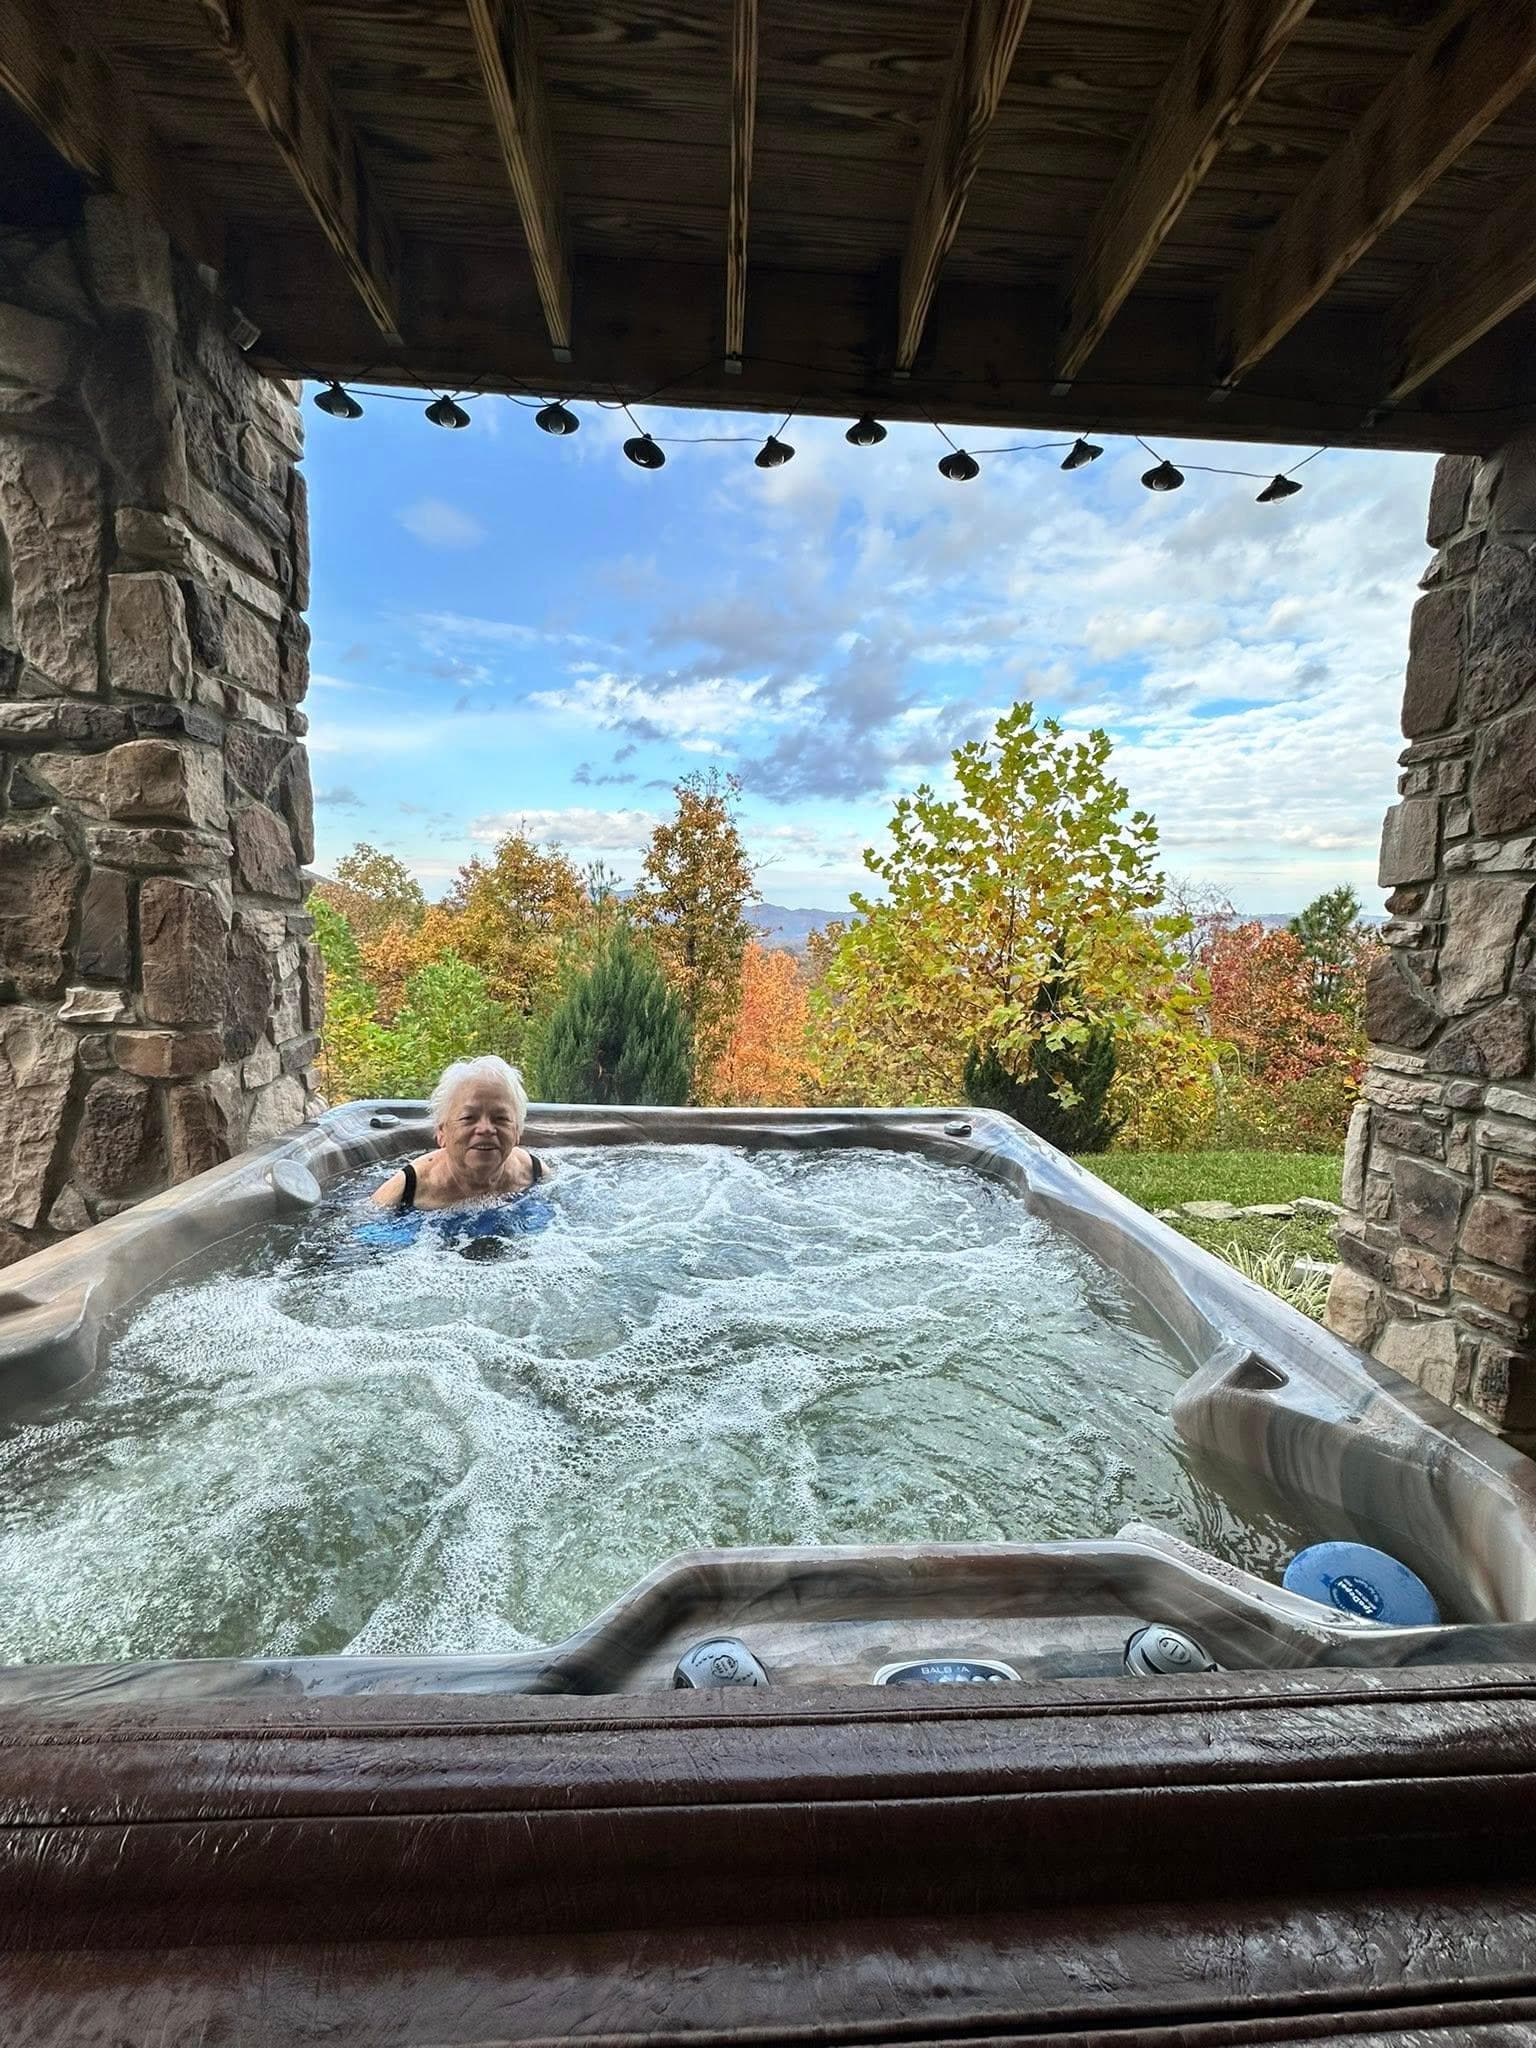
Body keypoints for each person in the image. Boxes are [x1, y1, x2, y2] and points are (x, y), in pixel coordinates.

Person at [370, 1055, 550, 1214]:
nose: (486, 1129)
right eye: (468, 1117)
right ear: (442, 1132)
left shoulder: (534, 1173)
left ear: (517, 1131)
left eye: (500, 1118)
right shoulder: (405, 1191)